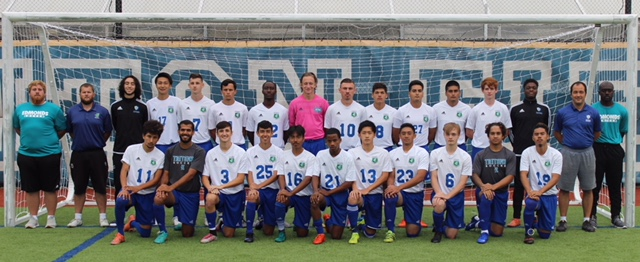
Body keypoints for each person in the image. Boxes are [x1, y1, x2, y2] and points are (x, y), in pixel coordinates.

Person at [14, 80, 67, 229]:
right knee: (31, 189)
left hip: (50, 155)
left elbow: (62, 129)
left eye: (40, 89)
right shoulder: (20, 110)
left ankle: (51, 218)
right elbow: (18, 128)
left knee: (50, 188)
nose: (37, 91)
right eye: (34, 89)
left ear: (45, 93)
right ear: (29, 93)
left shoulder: (54, 110)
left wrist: (49, 140)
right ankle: (33, 218)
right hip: (26, 155)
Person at [554, 81, 601, 233]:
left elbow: (597, 134)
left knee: (588, 188)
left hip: (587, 152)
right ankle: (563, 220)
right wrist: (569, 144)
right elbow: (557, 133)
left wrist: (584, 143)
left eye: (581, 92)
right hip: (568, 152)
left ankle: (587, 220)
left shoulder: (593, 113)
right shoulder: (563, 113)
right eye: (575, 92)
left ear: (585, 94)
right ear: (571, 94)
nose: (578, 95)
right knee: (564, 187)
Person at [111, 120, 166, 245]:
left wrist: (139, 188)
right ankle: (120, 234)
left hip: (147, 194)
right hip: (130, 191)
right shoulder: (131, 149)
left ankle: (132, 222)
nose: (151, 140)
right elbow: (124, 171)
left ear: (158, 139)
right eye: (149, 136)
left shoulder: (160, 155)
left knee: (145, 233)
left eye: (154, 137)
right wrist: (125, 188)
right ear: (143, 136)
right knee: (121, 200)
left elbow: (156, 179)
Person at [66, 83, 113, 228]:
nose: (86, 94)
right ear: (80, 95)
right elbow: (70, 131)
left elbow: (107, 132)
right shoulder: (72, 112)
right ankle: (78, 217)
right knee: (79, 187)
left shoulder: (103, 111)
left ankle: (103, 217)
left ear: (94, 94)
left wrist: (95, 142)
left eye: (89, 92)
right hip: (79, 154)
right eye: (83, 92)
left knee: (100, 186)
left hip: (97, 154)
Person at [507, 79, 550, 228]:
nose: (531, 90)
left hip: (539, 155)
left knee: (537, 184)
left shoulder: (544, 109)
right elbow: (509, 131)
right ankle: (517, 217)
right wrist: (518, 146)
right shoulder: (515, 109)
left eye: (533, 88)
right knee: (519, 185)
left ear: (537, 90)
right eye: (528, 88)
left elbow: (547, 130)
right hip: (519, 154)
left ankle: (538, 216)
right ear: (523, 90)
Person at [154, 120, 206, 243]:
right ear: (178, 131)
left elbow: (191, 175)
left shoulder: (199, 151)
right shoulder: (171, 151)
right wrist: (163, 187)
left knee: (187, 234)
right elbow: (166, 173)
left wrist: (169, 188)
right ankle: (163, 231)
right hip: (175, 193)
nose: (185, 132)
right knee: (158, 198)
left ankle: (182, 220)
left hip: (190, 194)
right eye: (182, 130)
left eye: (188, 130)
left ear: (193, 132)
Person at [466, 122, 516, 244]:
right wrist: (484, 187)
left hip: (501, 193)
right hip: (484, 192)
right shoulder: (481, 155)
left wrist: (492, 187)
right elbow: (474, 175)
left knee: (497, 232)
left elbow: (510, 177)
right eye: (492, 133)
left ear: (504, 135)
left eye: (498, 133)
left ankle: (477, 222)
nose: (495, 136)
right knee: (486, 197)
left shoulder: (509, 155)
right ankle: (484, 232)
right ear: (488, 136)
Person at [201, 121, 250, 243]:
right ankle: (212, 232)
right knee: (210, 198)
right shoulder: (211, 153)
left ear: (231, 133)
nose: (224, 134)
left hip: (235, 194)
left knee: (229, 234)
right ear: (217, 134)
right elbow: (205, 176)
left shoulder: (240, 153)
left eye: (227, 131)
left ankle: (222, 222)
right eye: (221, 131)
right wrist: (210, 188)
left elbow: (240, 179)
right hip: (219, 194)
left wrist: (220, 186)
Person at [346, 120, 392, 244]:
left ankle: (363, 221)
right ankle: (354, 231)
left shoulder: (383, 153)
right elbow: (351, 175)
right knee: (352, 198)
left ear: (374, 135)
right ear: (359, 135)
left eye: (369, 133)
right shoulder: (352, 153)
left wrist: (369, 189)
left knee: (370, 234)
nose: (367, 136)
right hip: (359, 192)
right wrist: (355, 189)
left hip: (375, 193)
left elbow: (385, 175)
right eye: (364, 133)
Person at [309, 128, 357, 245]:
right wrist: (316, 191)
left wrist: (330, 193)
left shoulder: (348, 157)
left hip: (340, 194)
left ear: (340, 140)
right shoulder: (321, 154)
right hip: (325, 192)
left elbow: (349, 182)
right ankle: (320, 233)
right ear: (326, 141)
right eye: (329, 141)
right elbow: (315, 175)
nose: (332, 143)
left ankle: (328, 220)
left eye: (335, 140)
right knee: (314, 200)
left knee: (336, 236)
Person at [591, 81, 628, 229]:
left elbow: (623, 130)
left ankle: (616, 216)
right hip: (597, 149)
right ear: (599, 92)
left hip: (614, 149)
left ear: (613, 92)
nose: (607, 93)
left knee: (614, 185)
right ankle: (592, 216)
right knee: (595, 185)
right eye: (604, 90)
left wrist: (613, 140)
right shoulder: (593, 110)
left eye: (609, 90)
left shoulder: (622, 111)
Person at [384, 123, 429, 242]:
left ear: (414, 136)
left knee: (413, 233)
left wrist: (399, 187)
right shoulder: (393, 153)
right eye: (403, 133)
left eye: (409, 133)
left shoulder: (422, 153)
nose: (406, 136)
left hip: (415, 193)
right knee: (390, 195)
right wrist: (391, 186)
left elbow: (421, 177)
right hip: (400, 194)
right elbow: (391, 175)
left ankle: (412, 218)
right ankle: (390, 230)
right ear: (399, 136)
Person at [429, 123, 472, 243]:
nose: (450, 137)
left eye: (453, 134)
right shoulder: (435, 154)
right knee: (439, 204)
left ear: (459, 136)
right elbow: (434, 176)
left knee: (451, 235)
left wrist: (448, 196)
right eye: (447, 134)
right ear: (444, 135)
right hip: (440, 192)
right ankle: (438, 230)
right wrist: (439, 193)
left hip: (456, 196)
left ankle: (443, 223)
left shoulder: (465, 157)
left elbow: (463, 183)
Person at [521, 123, 562, 244]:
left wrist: (540, 192)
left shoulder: (556, 154)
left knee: (545, 235)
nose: (539, 136)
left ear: (548, 137)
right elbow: (523, 174)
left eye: (542, 134)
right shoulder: (527, 152)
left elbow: (556, 178)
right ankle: (529, 232)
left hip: (549, 195)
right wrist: (530, 191)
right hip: (534, 195)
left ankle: (536, 220)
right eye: (536, 134)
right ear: (533, 137)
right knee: (530, 203)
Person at [273, 126, 316, 242]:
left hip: (304, 196)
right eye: (292, 137)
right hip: (289, 193)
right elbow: (280, 175)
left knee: (302, 233)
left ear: (303, 139)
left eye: (298, 137)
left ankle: (299, 223)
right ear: (289, 139)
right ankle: (281, 231)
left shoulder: (310, 157)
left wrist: (291, 193)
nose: (295, 140)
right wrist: (283, 190)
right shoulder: (283, 155)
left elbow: (308, 179)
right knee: (280, 199)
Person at [244, 120, 284, 243]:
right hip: (258, 191)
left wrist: (259, 185)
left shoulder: (279, 152)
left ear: (272, 133)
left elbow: (276, 175)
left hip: (272, 190)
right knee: (251, 196)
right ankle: (249, 232)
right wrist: (252, 187)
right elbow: (249, 172)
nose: (265, 134)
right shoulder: (251, 151)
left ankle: (262, 218)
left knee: (268, 232)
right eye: (262, 131)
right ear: (257, 133)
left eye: (267, 131)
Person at [111, 75, 148, 199]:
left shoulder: (143, 107)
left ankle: (140, 215)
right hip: (119, 150)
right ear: (123, 86)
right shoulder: (115, 106)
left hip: (138, 151)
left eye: (132, 84)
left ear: (136, 87)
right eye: (127, 83)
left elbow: (145, 128)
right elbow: (115, 126)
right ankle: (120, 217)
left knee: (139, 183)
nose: (129, 86)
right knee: (119, 184)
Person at [465, 77, 512, 159]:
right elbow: (469, 131)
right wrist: (479, 139)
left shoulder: (503, 108)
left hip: (497, 149)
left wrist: (497, 140)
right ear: (483, 91)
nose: (489, 91)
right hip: (479, 148)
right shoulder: (476, 109)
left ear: (496, 90)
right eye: (487, 89)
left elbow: (507, 130)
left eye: (492, 89)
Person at [289, 72, 330, 155]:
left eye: (311, 83)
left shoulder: (323, 103)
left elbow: (327, 124)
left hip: (319, 142)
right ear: (301, 85)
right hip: (302, 142)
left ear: (315, 85)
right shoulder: (294, 103)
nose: (308, 86)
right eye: (305, 83)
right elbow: (292, 125)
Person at [392, 80, 437, 151]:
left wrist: (425, 143)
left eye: (419, 91)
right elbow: (396, 132)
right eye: (414, 91)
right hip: (404, 148)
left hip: (423, 147)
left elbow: (432, 132)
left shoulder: (430, 111)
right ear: (409, 93)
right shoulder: (401, 111)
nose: (417, 93)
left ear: (423, 94)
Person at [325, 78, 367, 150]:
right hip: (337, 149)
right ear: (340, 90)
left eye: (350, 88)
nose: (347, 91)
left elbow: (364, 130)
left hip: (356, 149)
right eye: (345, 88)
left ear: (355, 91)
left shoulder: (361, 109)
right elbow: (328, 129)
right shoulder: (332, 109)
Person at [179, 73, 216, 152]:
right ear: (189, 86)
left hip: (205, 143)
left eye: (197, 83)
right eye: (192, 83)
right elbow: (179, 125)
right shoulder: (182, 104)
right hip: (188, 143)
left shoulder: (210, 104)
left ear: (202, 85)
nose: (195, 86)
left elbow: (212, 127)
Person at [247, 81, 289, 149]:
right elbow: (250, 132)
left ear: (275, 91)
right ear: (262, 91)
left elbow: (286, 132)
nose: (269, 90)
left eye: (271, 88)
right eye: (266, 88)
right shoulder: (254, 111)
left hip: (278, 149)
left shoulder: (283, 111)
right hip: (259, 150)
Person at [208, 79, 249, 149]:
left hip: (239, 145)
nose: (228, 92)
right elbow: (212, 129)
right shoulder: (214, 109)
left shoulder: (243, 108)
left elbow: (245, 129)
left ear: (235, 91)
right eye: (225, 90)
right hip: (221, 146)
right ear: (222, 91)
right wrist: (221, 141)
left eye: (230, 90)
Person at [147, 72, 181, 153]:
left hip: (174, 144)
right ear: (156, 85)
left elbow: (181, 124)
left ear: (170, 85)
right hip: (156, 144)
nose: (162, 86)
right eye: (160, 83)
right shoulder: (150, 104)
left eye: (165, 83)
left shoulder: (177, 102)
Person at [432, 80, 471, 150]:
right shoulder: (436, 108)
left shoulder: (467, 109)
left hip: (459, 147)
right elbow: (433, 129)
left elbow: (467, 131)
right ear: (446, 93)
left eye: (456, 91)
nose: (453, 94)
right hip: (440, 146)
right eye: (450, 91)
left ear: (460, 93)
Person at [365, 83, 397, 151]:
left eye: (382, 93)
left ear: (386, 95)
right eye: (377, 93)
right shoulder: (365, 111)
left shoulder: (393, 112)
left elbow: (395, 132)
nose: (379, 95)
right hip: (370, 148)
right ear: (372, 95)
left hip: (387, 148)